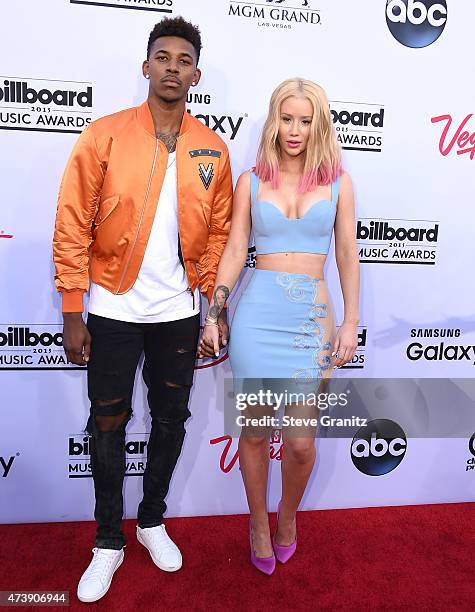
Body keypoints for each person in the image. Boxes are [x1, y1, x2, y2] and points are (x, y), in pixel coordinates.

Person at [52, 16, 232, 602]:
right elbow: (73, 220)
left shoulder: (211, 149)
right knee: (107, 421)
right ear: (146, 64)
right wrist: (73, 309)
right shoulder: (103, 136)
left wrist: (212, 307)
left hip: (177, 311)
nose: (172, 67)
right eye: (163, 57)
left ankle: (151, 521)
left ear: (196, 74)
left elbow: (219, 234)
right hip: (110, 306)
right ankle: (108, 540)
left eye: (184, 59)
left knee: (172, 418)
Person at [198, 78, 359, 574]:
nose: (295, 130)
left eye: (305, 120)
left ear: (319, 124)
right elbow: (232, 250)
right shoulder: (250, 180)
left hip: (310, 318)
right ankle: (259, 523)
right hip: (258, 317)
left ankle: (286, 514)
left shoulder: (338, 182)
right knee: (252, 433)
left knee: (301, 443)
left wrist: (351, 321)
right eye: (287, 118)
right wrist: (216, 309)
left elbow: (348, 256)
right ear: (274, 120)